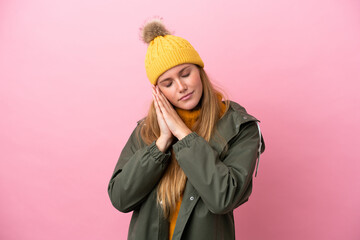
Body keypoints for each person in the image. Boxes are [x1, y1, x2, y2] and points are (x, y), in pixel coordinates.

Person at [107, 17, 266, 240]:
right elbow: (121, 198)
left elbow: (224, 198)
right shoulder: (147, 130)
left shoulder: (239, 126)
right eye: (168, 83)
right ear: (158, 91)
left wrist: (183, 134)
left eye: (185, 73)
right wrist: (161, 143)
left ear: (199, 70)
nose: (181, 87)